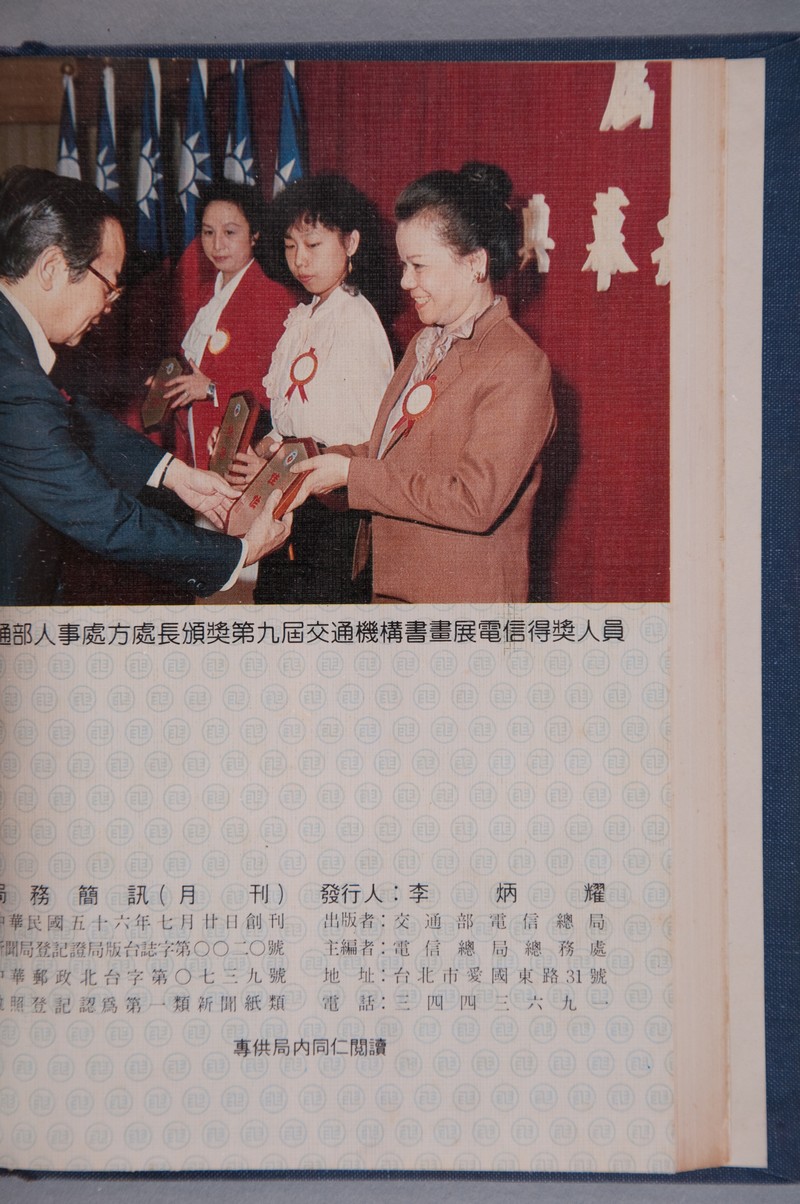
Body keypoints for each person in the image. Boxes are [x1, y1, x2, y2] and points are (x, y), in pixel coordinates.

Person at [0, 167, 291, 605]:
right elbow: (104, 517)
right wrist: (240, 553)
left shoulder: (14, 347)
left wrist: (173, 474)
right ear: (51, 268)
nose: (109, 305)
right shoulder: (12, 377)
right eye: (108, 285)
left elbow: (72, 418)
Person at [289, 162, 556, 604]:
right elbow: (390, 453)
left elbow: (473, 500)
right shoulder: (425, 343)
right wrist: (306, 459)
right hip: (395, 592)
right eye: (403, 264)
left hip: (460, 608)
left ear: (475, 264)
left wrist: (352, 474)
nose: (405, 281)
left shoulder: (517, 364)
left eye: (419, 266)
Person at [223, 174, 394, 605]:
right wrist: (256, 451)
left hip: (333, 512)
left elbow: (371, 441)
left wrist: (278, 462)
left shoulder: (357, 321)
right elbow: (290, 421)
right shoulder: (307, 315)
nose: (300, 260)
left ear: (351, 243)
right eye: (290, 245)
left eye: (313, 244)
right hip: (291, 502)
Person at [165, 180, 295, 471]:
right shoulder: (204, 295)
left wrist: (212, 389)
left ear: (255, 234)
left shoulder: (271, 298)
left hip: (238, 452)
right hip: (195, 446)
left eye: (230, 232)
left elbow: (275, 392)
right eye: (208, 232)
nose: (217, 244)